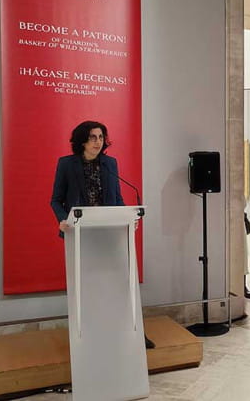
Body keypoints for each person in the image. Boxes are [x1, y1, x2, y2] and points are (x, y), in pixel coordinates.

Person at [51, 121, 154, 349]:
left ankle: (134, 334)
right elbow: (56, 200)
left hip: (110, 233)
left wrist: (129, 217)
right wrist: (63, 219)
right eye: (92, 137)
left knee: (121, 284)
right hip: (80, 234)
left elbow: (117, 199)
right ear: (82, 141)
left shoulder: (110, 164)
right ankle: (90, 337)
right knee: (90, 287)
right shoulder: (67, 164)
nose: (98, 142)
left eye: (101, 137)